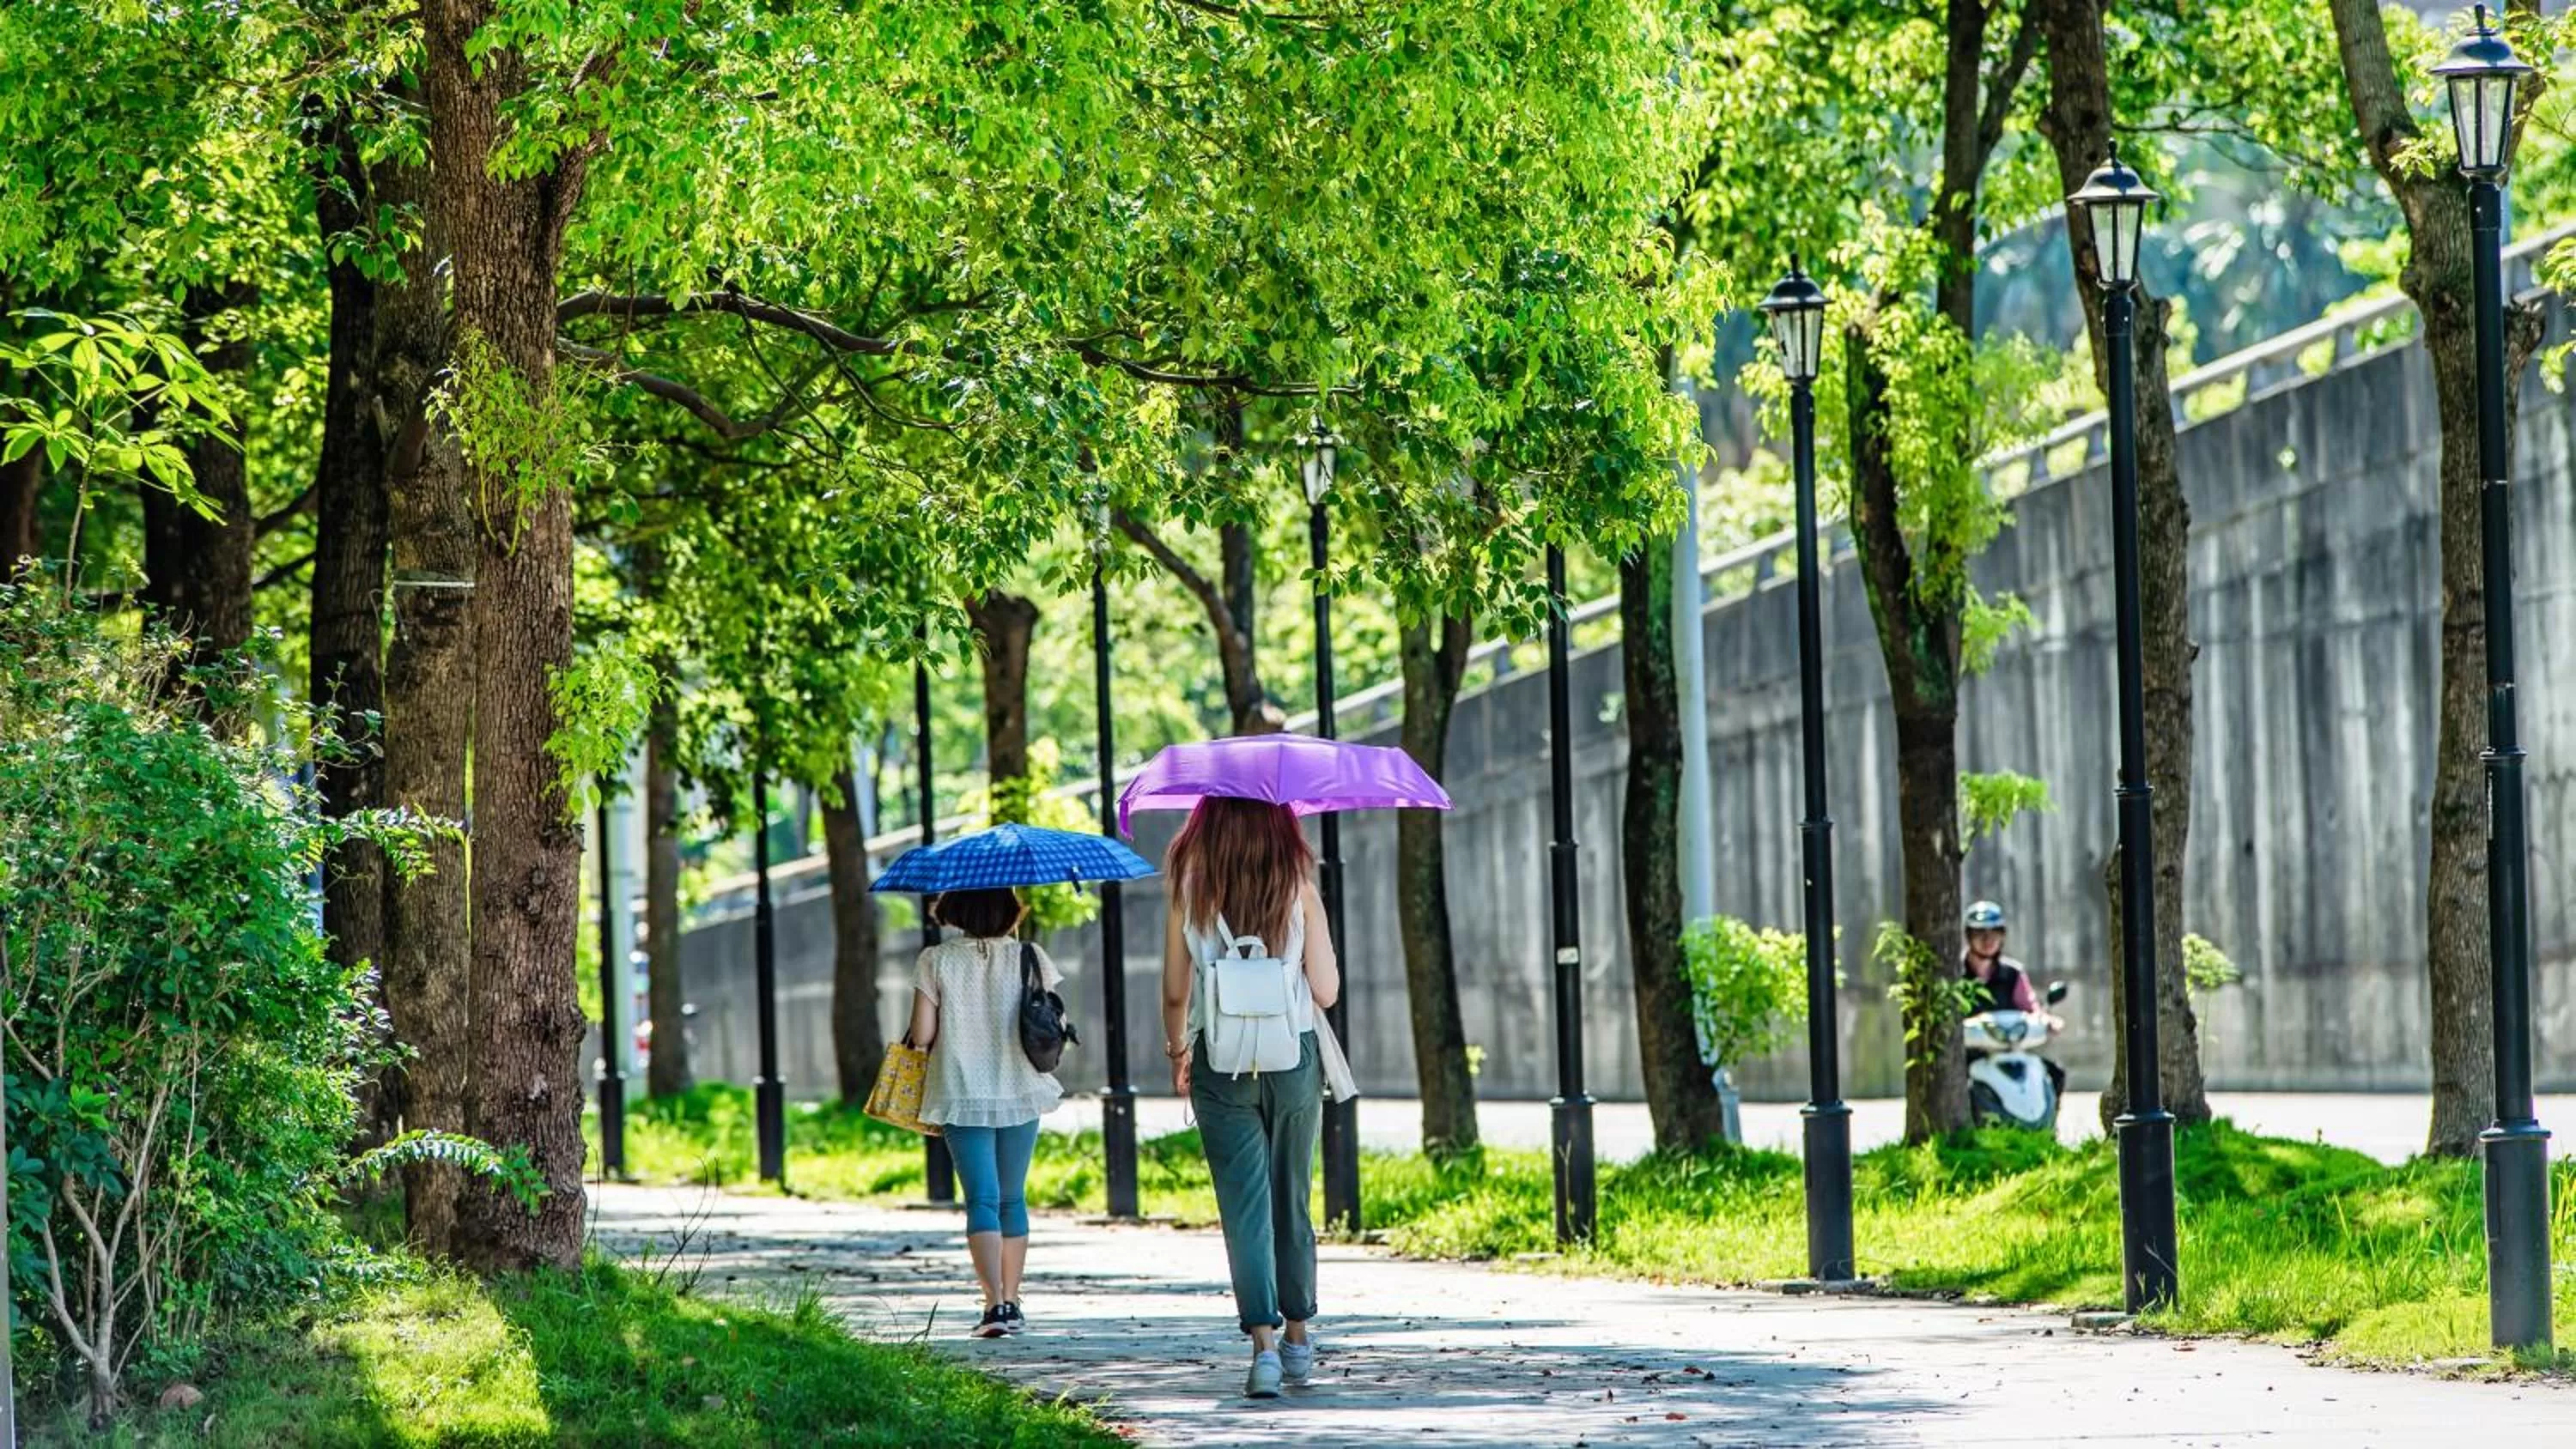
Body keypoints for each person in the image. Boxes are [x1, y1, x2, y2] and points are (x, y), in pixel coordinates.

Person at [1159, 797, 1344, 1399]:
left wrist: (1176, 1052)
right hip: (1292, 1060)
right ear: (1279, 827)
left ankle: (1262, 1349)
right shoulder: (1298, 887)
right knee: (1292, 1196)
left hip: (1221, 1061)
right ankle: (1297, 1337)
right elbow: (1326, 990)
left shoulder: (1192, 891)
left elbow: (1173, 991)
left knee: (1245, 1208)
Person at [908, 886, 1063, 1339]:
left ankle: (993, 1305)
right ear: (1009, 910)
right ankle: (1013, 1303)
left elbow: (921, 1034)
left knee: (982, 1200)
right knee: (1012, 1197)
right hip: (1020, 1089)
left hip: (961, 1092)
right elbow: (1052, 1019)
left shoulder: (935, 960)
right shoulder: (1030, 956)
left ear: (955, 910)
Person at [1961, 899, 2065, 1093]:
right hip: (1970, 1056)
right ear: (1969, 936)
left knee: (2054, 1074)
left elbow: (2031, 1007)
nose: (1988, 940)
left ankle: (2047, 1123)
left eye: (1995, 933)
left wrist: (2047, 1020)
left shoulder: (2013, 973)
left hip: (2009, 1052)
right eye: (1980, 933)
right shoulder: (1955, 974)